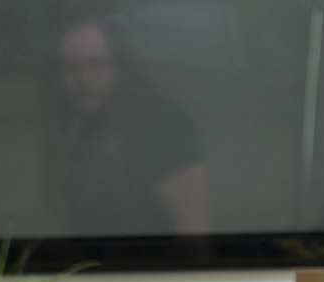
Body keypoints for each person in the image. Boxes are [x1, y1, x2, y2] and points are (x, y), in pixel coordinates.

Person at [49, 14, 209, 236]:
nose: (83, 79)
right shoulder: (77, 127)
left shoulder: (162, 123)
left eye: (96, 64)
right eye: (70, 68)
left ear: (120, 65)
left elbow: (193, 228)